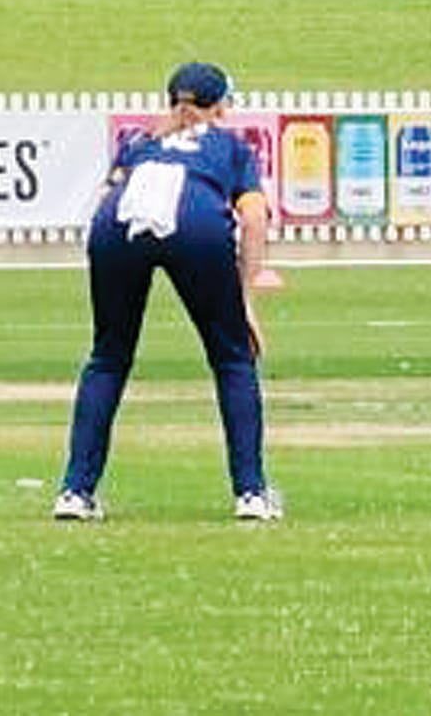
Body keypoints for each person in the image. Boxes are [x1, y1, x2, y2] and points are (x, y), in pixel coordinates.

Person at [53, 62, 281, 522]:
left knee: (109, 355)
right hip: (195, 222)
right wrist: (245, 300)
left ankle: (75, 492)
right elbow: (254, 218)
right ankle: (251, 493)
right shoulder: (230, 147)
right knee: (233, 356)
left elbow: (107, 198)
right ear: (218, 106)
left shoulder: (139, 142)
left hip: (115, 227)